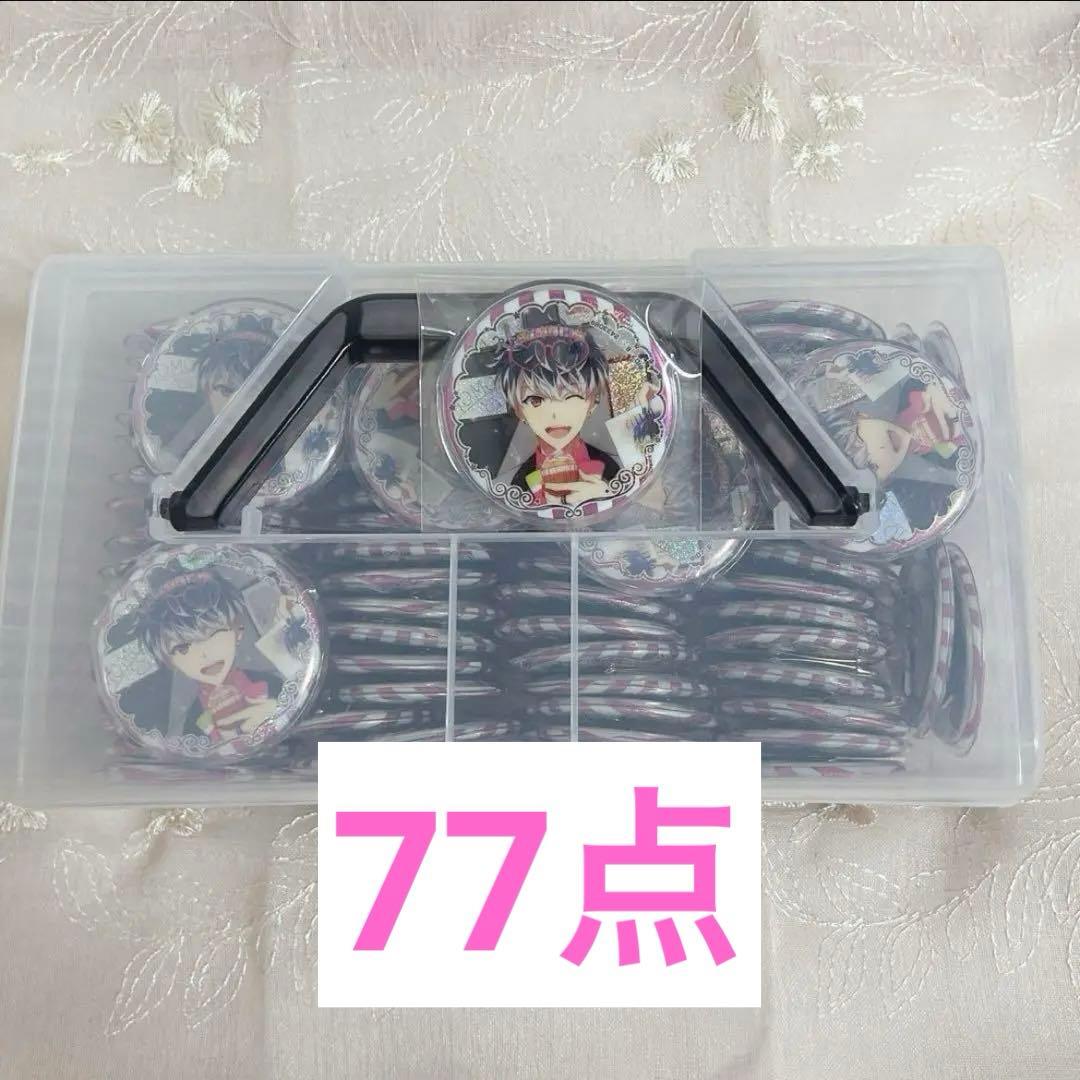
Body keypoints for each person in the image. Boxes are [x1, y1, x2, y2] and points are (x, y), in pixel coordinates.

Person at [134, 566, 280, 743]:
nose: (204, 654)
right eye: (183, 648)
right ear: (170, 662)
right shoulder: (192, 726)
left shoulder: (273, 685)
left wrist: (279, 719)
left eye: (213, 634)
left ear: (238, 631)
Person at [493, 316, 621, 508]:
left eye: (571, 397)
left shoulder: (616, 468)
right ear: (519, 410)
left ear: (592, 403)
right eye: (536, 400)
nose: (555, 414)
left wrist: (610, 499)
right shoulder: (513, 483)